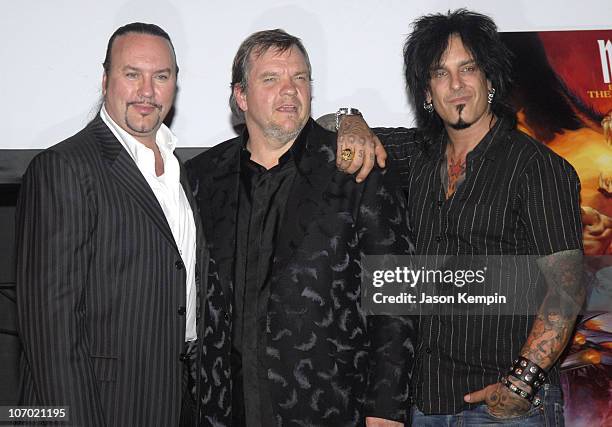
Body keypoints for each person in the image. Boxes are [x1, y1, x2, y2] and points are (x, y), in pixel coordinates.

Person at [334, 9, 584, 426]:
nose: (455, 85)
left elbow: (567, 286)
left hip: (503, 409)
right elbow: (331, 136)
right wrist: (349, 119)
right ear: (426, 91)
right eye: (439, 72)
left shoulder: (537, 167)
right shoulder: (415, 156)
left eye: (468, 68)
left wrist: (520, 385)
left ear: (490, 80)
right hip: (425, 405)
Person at [186, 29, 414, 426]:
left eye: (301, 78)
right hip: (227, 406)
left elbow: (398, 293)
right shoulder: (200, 179)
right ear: (241, 97)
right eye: (271, 79)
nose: (289, 91)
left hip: (330, 407)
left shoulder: (355, 168)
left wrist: (387, 409)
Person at [15, 22, 217, 427]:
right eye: (132, 74)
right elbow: (50, 330)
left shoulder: (182, 173)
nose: (147, 91)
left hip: (175, 399)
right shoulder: (64, 168)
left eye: (161, 76)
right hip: (101, 405)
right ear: (105, 79)